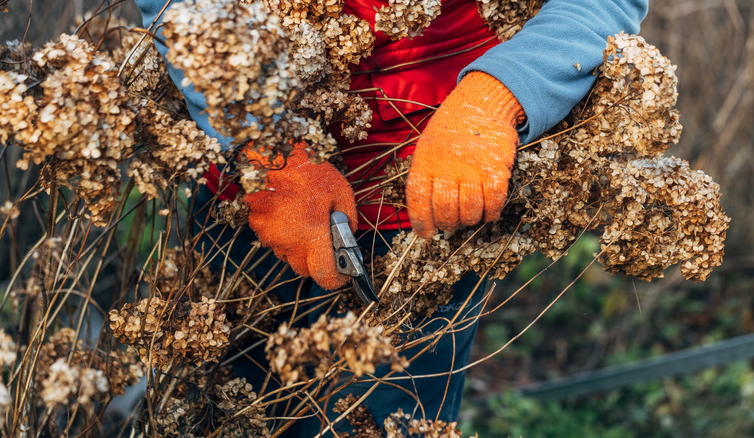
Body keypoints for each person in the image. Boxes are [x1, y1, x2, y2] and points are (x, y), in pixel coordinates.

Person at [135, 0, 648, 435]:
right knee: (227, 412)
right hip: (253, 205)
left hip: (427, 213)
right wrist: (264, 144)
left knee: (388, 419)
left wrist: (494, 99)